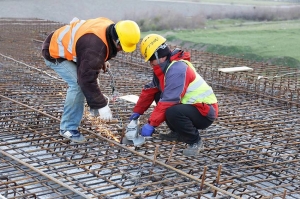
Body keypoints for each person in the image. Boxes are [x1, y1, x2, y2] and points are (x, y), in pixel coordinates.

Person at [42, 17, 140, 143]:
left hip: (74, 47)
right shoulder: (93, 46)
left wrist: (102, 59)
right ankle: (68, 128)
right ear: (116, 39)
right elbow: (86, 80)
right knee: (78, 84)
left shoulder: (111, 29)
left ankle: (93, 106)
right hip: (54, 50)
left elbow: (95, 49)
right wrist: (102, 105)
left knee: (90, 79)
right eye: (122, 46)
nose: (122, 49)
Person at [129, 34, 218, 156]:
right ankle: (179, 133)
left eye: (151, 59)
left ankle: (195, 141)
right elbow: (151, 90)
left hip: (204, 111)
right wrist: (138, 111)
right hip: (190, 106)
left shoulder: (177, 70)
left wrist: (151, 124)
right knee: (158, 95)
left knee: (172, 111)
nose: (150, 63)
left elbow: (169, 101)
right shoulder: (163, 68)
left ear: (159, 56)